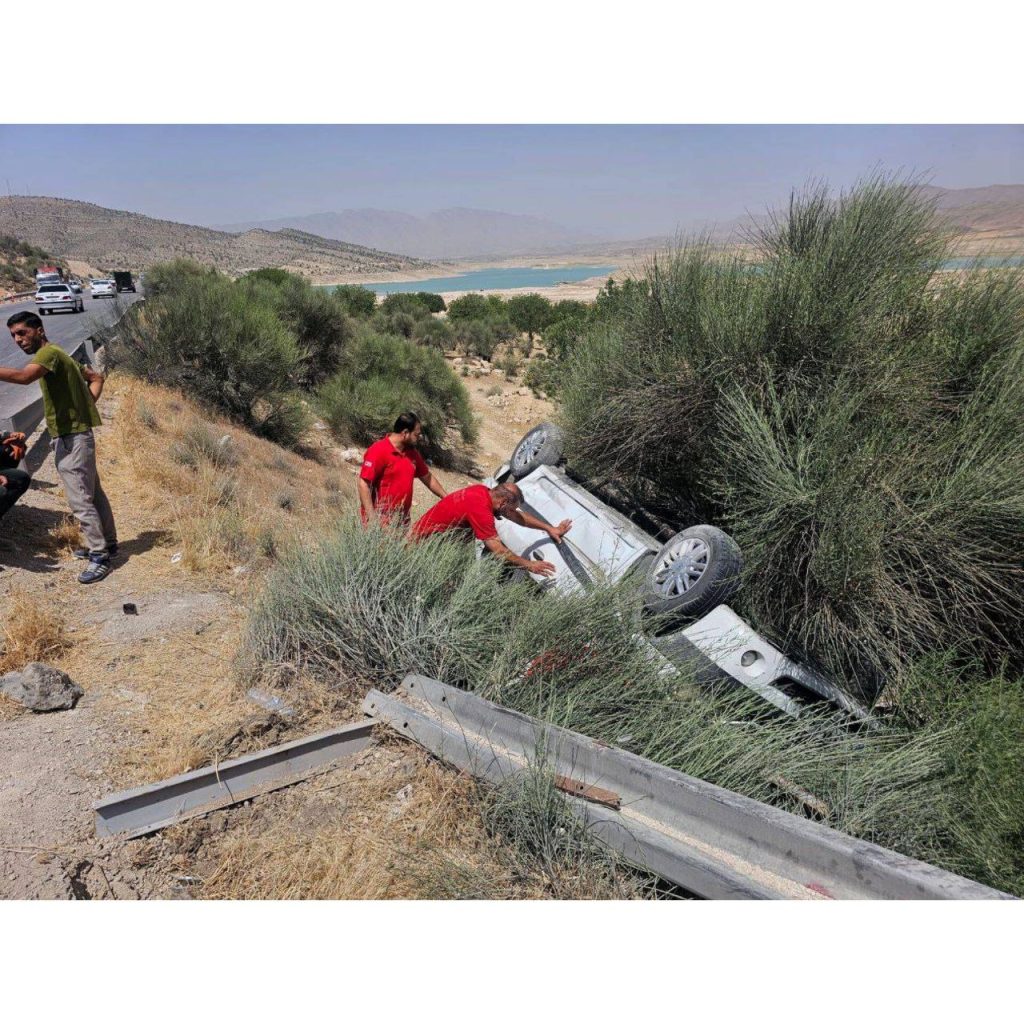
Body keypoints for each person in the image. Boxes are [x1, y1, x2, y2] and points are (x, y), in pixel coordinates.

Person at [1, 311, 117, 584]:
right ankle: (108, 544)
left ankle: (100, 556)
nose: (18, 340)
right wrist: (83, 411)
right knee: (93, 494)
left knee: (79, 499)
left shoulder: (48, 355)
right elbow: (96, 377)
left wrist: (78, 418)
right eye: (13, 336)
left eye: (22, 332)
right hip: (76, 434)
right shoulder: (61, 355)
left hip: (71, 438)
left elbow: (24, 377)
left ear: (39, 330)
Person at [410, 481, 571, 577]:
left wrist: (549, 528)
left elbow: (516, 517)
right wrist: (528, 564)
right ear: (503, 503)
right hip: (423, 548)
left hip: (435, 540)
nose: (511, 514)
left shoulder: (482, 491)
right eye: (510, 509)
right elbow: (497, 549)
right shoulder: (481, 510)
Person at [358, 412, 447, 525]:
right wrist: (372, 518)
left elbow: (427, 477)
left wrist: (446, 497)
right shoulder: (378, 450)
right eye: (416, 434)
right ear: (405, 433)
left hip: (401, 522)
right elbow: (363, 484)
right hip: (379, 521)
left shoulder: (412, 453)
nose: (419, 438)